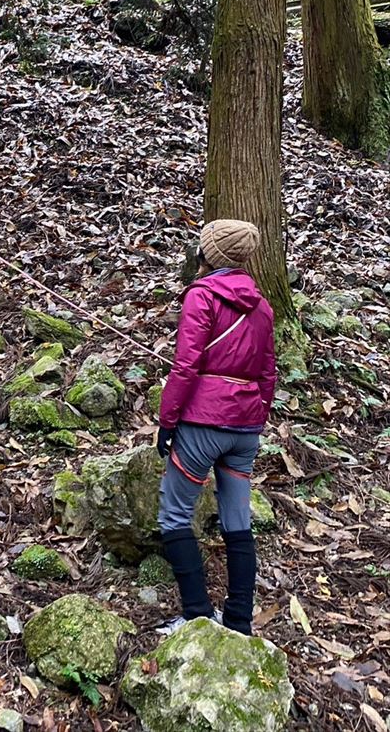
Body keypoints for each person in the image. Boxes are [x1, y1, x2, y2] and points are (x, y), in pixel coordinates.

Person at [155, 218, 277, 636]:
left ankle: (197, 616)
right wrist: (256, 417)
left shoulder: (201, 296)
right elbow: (268, 373)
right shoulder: (262, 306)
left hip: (202, 423)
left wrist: (167, 421)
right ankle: (239, 621)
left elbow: (186, 365)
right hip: (245, 429)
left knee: (175, 515)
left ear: (208, 254)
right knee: (237, 522)